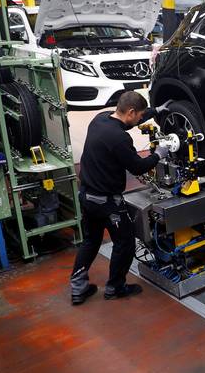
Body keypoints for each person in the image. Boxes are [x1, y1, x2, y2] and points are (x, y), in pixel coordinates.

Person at [69, 91, 172, 305]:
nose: (139, 119)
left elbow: (128, 122)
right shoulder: (119, 139)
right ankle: (115, 287)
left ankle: (77, 288)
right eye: (140, 115)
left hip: (87, 195)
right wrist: (159, 154)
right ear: (131, 112)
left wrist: (155, 112)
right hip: (107, 203)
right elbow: (137, 166)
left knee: (90, 241)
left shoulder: (100, 119)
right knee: (125, 243)